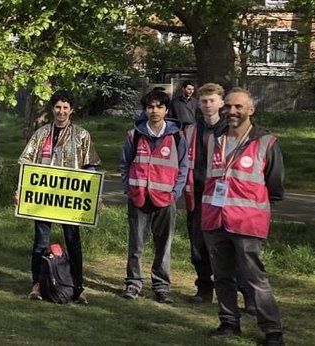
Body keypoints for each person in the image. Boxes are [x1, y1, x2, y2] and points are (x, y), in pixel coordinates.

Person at [202, 88, 285, 346]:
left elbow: (274, 186)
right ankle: (229, 323)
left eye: (238, 106)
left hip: (247, 222)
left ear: (251, 110)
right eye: (228, 106)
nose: (231, 111)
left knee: (255, 278)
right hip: (215, 218)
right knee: (222, 276)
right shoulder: (213, 139)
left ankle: (272, 331)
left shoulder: (266, 142)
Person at [17, 90, 101, 304]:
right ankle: (37, 283)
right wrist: (21, 190)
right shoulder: (41, 134)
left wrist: (93, 196)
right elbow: (27, 164)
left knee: (73, 242)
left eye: (65, 107)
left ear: (71, 110)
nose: (61, 111)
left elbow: (89, 166)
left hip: (70, 200)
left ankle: (78, 286)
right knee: (40, 241)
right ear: (52, 109)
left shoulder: (82, 135)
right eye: (57, 107)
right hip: (42, 198)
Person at [118, 90, 189, 304]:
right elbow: (125, 164)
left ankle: (161, 286)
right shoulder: (135, 135)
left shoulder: (177, 136)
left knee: (164, 245)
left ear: (166, 110)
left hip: (165, 200)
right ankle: (133, 283)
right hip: (139, 197)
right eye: (150, 107)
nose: (154, 111)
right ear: (145, 110)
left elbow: (184, 166)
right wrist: (128, 188)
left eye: (159, 107)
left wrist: (175, 192)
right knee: (136, 244)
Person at [183, 83, 232, 304]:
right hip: (198, 194)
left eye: (212, 100)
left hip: (224, 197)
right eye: (204, 101)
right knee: (198, 246)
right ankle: (204, 288)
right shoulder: (191, 130)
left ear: (222, 103)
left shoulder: (231, 131)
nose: (208, 105)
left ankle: (245, 293)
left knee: (229, 246)